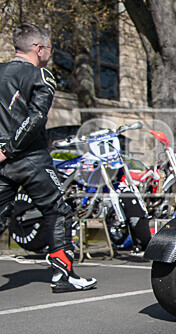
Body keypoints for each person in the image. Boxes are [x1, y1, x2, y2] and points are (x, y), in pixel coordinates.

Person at [0, 23, 96, 293]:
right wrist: (8, 149)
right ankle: (63, 277)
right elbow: (35, 118)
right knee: (58, 211)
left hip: (2, 162)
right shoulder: (41, 76)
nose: (51, 54)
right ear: (38, 48)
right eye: (50, 49)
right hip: (29, 159)